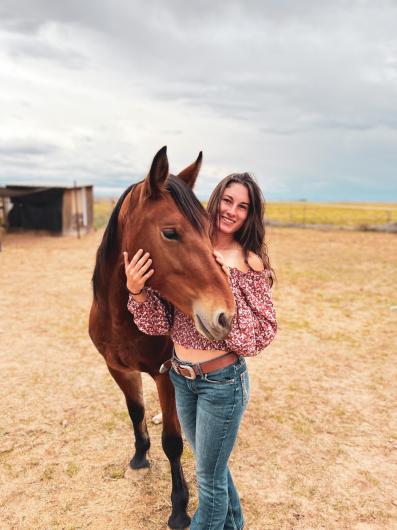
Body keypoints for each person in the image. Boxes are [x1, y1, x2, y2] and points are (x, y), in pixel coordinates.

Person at [124, 172, 277, 530]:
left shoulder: (249, 260)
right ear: (215, 199)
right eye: (227, 200)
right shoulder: (192, 247)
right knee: (213, 468)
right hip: (182, 378)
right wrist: (138, 292)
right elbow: (159, 325)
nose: (231, 211)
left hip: (222, 383)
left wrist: (228, 304)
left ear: (249, 214)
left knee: (207, 479)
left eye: (242, 206)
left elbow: (263, 332)